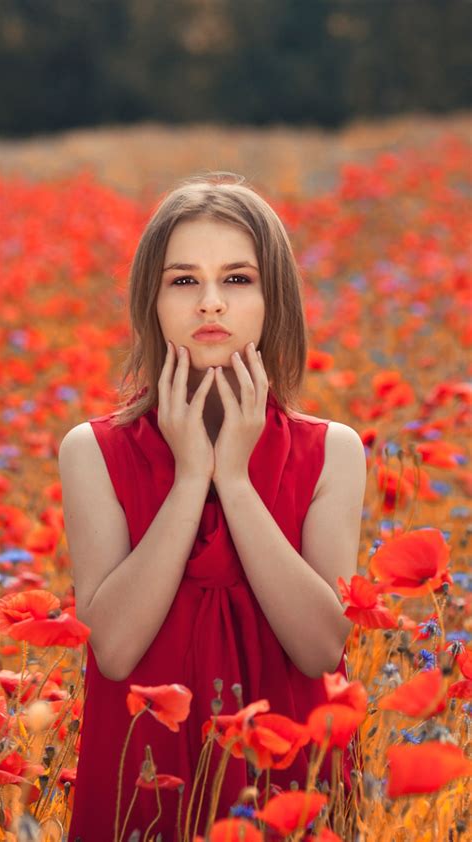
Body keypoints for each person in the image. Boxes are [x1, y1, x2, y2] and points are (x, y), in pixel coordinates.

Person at [59, 172, 367, 841]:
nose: (210, 305)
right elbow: (114, 648)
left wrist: (235, 478)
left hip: (290, 790)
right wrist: (189, 475)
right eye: (182, 280)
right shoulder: (91, 451)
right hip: (143, 792)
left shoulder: (333, 452)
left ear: (274, 299)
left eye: (236, 279)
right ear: (151, 300)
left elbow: (319, 647)